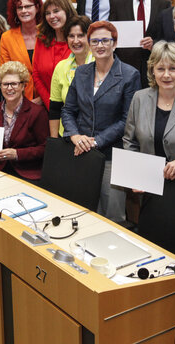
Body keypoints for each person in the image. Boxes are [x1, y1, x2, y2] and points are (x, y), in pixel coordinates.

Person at [122, 41, 175, 265]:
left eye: (172, 68)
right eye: (160, 69)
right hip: (150, 190)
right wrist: (135, 176)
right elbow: (130, 141)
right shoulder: (140, 98)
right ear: (152, 71)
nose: (166, 75)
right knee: (152, 250)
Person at [62, 21, 141, 223]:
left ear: (114, 43)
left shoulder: (129, 75)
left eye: (105, 40)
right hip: (81, 152)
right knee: (83, 209)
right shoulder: (81, 73)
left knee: (112, 214)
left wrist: (95, 141)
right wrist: (75, 136)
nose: (100, 45)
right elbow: (68, 110)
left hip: (111, 155)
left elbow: (128, 120)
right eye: (95, 41)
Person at [0, 61, 49, 182]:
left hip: (26, 173)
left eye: (14, 84)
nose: (9, 88)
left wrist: (17, 154)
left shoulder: (37, 112)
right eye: (5, 84)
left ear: (23, 85)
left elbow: (45, 148)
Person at [109, 0, 170, 87]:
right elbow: (112, 33)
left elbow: (168, 37)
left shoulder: (164, 4)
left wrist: (154, 44)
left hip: (154, 67)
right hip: (124, 67)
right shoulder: (117, 3)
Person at [49, 15, 94, 137]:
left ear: (90, 37)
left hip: (95, 136)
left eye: (80, 36)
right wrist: (54, 140)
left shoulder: (100, 63)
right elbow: (55, 108)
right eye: (71, 36)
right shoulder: (61, 67)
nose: (75, 41)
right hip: (67, 136)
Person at [32, 0, 77, 109]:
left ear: (67, 11)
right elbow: (36, 74)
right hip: (48, 108)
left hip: (75, 109)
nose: (52, 16)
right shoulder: (41, 39)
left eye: (56, 11)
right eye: (48, 13)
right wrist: (51, 104)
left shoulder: (78, 42)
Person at [0, 0, 42, 102]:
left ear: (37, 8)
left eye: (28, 6)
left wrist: (42, 99)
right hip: (18, 100)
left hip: (48, 99)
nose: (24, 11)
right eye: (19, 7)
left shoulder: (47, 35)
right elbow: (6, 73)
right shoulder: (7, 38)